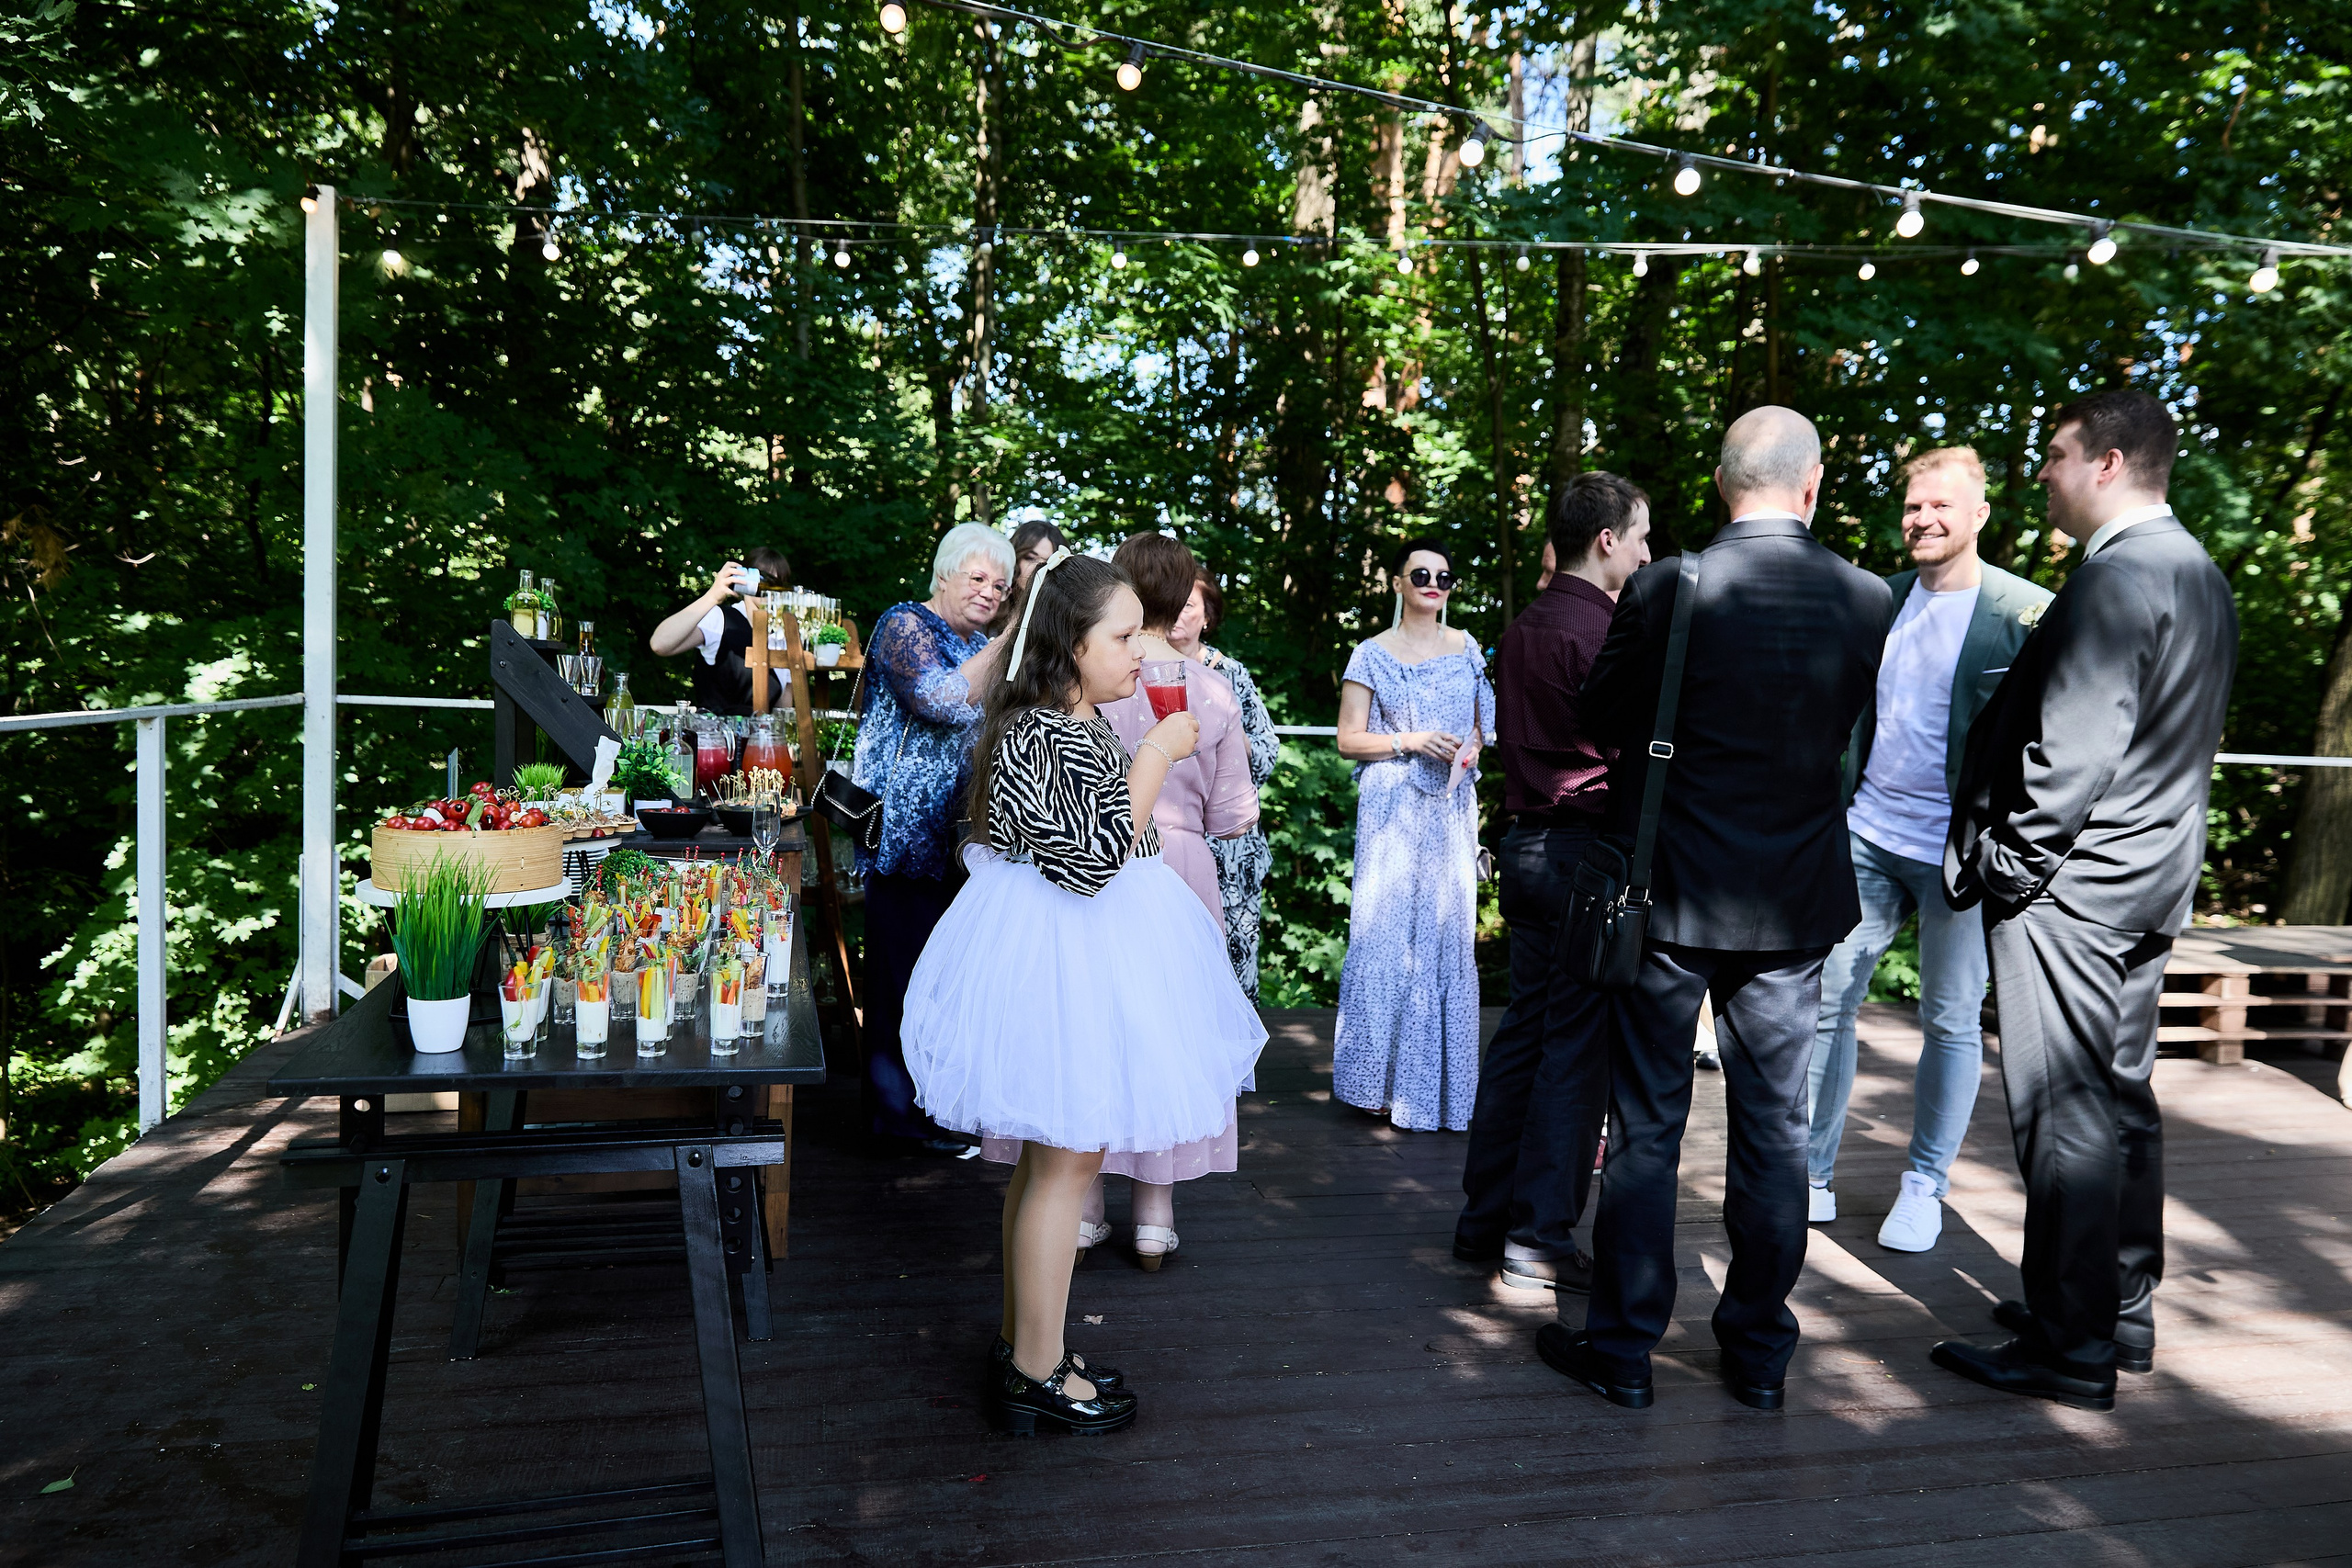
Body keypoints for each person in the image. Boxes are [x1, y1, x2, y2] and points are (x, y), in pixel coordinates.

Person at [1537, 406, 1892, 1413]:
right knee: (1775, 1129)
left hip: (1672, 891)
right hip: (1795, 899)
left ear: (1723, 483)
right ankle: (1759, 1355)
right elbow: (1852, 730)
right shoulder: (1868, 596)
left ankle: (1623, 1351)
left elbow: (1598, 712)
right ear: (1811, 485)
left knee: (1648, 1126)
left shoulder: (1669, 585)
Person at [899, 550, 1266, 1434]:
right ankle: (1035, 1371)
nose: (1142, 649)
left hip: (1081, 949)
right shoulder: (1046, 731)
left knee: (1055, 1163)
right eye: (1124, 635)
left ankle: (1032, 1344)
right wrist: (1158, 751)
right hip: (1065, 954)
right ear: (1071, 644)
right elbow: (1094, 859)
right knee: (1064, 1165)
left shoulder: (1070, 722)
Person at [1933, 390, 2236, 1412]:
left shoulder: (2116, 577)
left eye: (2057, 455)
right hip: (2149, 879)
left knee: (2062, 1112)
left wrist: (2010, 868)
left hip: (2072, 889)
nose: (2044, 474)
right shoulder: (2197, 571)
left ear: (2107, 463)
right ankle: (2119, 1307)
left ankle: (2069, 1345)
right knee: (2119, 1097)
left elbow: (2072, 753)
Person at [1804, 447, 2053, 1249]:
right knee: (1826, 1003)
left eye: (1942, 505)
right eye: (1914, 505)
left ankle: (1924, 1184)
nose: (1923, 518)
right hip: (1868, 835)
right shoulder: (1877, 599)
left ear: (1980, 514)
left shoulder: (2027, 612)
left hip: (1962, 852)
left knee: (1949, 1018)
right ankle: (1811, 1172)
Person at [1456, 473, 1651, 1294]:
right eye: (1640, 536)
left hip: (1526, 847)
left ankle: (1483, 1220)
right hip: (1582, 855)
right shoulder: (1607, 629)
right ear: (1606, 540)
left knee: (1524, 1036)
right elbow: (1624, 751)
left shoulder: (1522, 627)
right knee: (1575, 1050)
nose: (1647, 553)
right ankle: (1537, 1238)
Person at [1065, 534, 1259, 1269]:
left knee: (1095, 1028)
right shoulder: (1212, 689)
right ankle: (1154, 1216)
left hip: (1098, 863)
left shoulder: (1090, 678)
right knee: (1167, 1038)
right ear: (1183, 597)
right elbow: (1234, 816)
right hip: (1179, 866)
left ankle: (1083, 1208)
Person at [852, 523, 1013, 1154]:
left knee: (943, 980)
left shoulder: (974, 643)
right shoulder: (904, 624)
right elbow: (940, 700)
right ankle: (896, 1118)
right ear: (945, 573)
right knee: (902, 979)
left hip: (959, 839)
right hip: (903, 835)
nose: (990, 591)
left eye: (1001, 585)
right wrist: (1007, 643)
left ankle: (936, 1107)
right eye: (978, 577)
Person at [1332, 538, 1495, 1133]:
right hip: (1392, 807)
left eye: (1443, 576)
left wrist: (1469, 749)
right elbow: (1348, 739)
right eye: (1421, 574)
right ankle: (1374, 1086)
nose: (1433, 584)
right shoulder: (1371, 653)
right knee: (1385, 937)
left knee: (1445, 938)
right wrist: (1410, 740)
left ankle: (1437, 1092)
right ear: (1398, 582)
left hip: (1450, 807)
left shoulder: (1467, 648)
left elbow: (1482, 728)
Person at [1168, 569, 1281, 999]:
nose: (1178, 613)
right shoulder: (1137, 668)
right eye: (1172, 601)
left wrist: (1229, 737)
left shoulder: (1229, 674)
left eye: (1189, 605)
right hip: (1168, 841)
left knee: (1231, 969)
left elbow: (1267, 752)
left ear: (1207, 617)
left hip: (1232, 850)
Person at [646, 547, 794, 714]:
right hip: (714, 728)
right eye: (764, 579)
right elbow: (659, 644)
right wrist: (712, 596)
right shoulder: (720, 619)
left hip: (760, 731)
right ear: (745, 580)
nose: (770, 588)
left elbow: (783, 712)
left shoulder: (782, 636)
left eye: (778, 582)